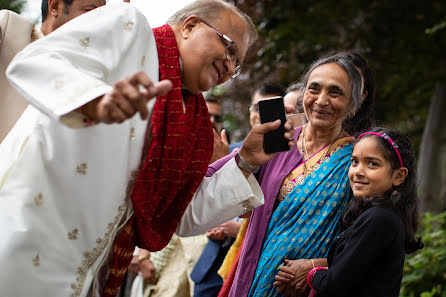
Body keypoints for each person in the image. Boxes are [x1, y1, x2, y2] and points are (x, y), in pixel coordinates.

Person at [0, 1, 296, 296]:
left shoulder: (196, 127)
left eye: (238, 63)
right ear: (190, 26)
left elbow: (181, 214)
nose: (231, 67)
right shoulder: (129, 27)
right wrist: (95, 101)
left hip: (88, 274)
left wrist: (245, 161)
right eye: (229, 48)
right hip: (27, 237)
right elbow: (35, 62)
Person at [208, 53, 367, 297]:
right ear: (303, 94)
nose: (321, 100)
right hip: (256, 273)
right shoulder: (278, 140)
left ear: (353, 105)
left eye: (335, 92)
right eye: (314, 89)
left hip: (310, 286)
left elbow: (367, 237)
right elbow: (243, 207)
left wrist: (318, 265)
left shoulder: (357, 159)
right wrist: (233, 165)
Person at [275, 127, 423, 297]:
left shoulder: (379, 218)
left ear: (398, 176)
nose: (358, 171)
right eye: (354, 162)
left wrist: (311, 274)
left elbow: (334, 283)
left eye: (372, 163)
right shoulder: (374, 215)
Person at [0, 0, 105, 142]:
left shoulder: (87, 80)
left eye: (103, 16)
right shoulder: (10, 28)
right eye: (89, 11)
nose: (99, 25)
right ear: (55, 6)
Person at [229, 83, 285, 151]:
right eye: (256, 109)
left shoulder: (294, 150)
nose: (260, 116)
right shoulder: (232, 152)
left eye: (269, 110)